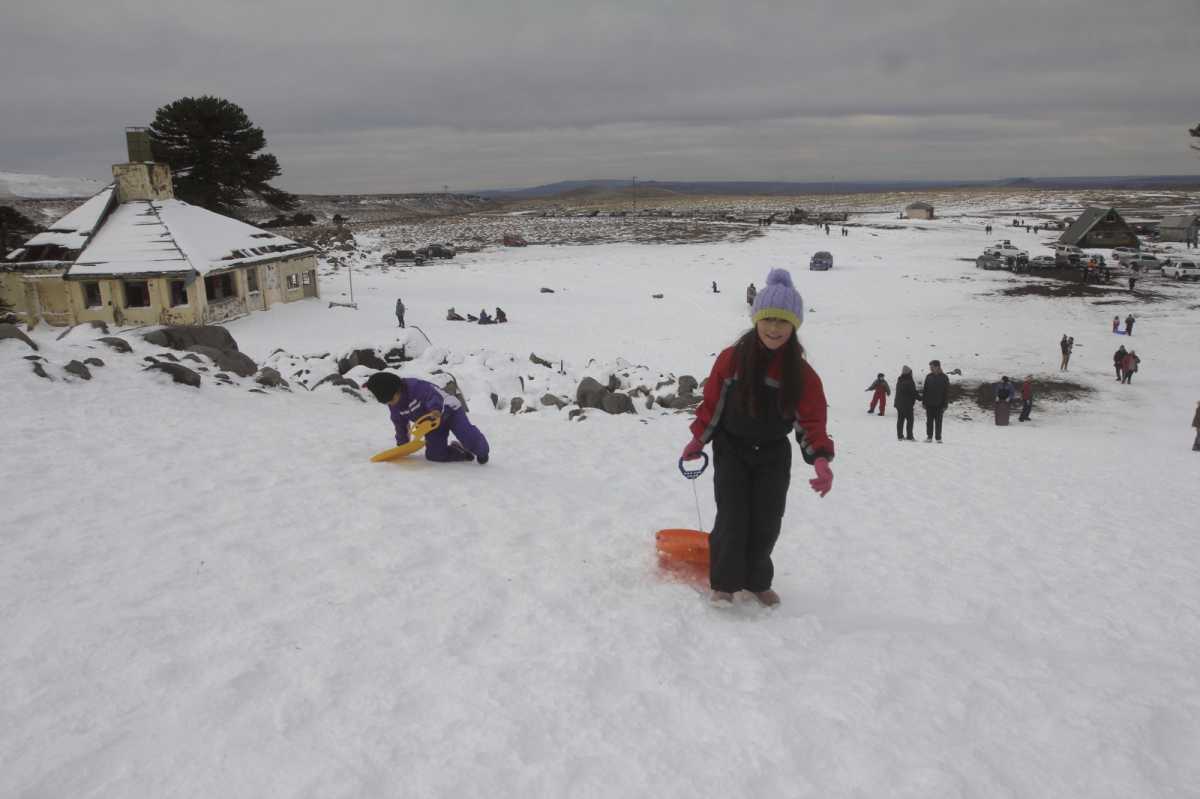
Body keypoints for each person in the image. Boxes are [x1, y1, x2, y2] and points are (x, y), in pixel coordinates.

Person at [682, 268, 834, 608]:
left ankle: (756, 580)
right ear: (756, 319)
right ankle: (724, 584)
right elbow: (712, 405)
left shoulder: (802, 374)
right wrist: (698, 440)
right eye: (768, 320)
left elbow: (811, 421)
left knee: (767, 520)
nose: (774, 328)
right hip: (732, 448)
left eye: (782, 321)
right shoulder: (732, 359)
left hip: (772, 453)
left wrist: (821, 458)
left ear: (794, 325)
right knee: (733, 517)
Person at [364, 371, 490, 464]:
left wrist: (435, 409)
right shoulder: (395, 407)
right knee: (435, 455)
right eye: (387, 402)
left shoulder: (416, 387)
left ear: (398, 389)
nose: (391, 404)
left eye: (391, 399)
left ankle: (482, 450)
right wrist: (403, 445)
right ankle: (460, 451)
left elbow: (432, 396)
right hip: (432, 424)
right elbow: (400, 425)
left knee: (468, 436)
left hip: (450, 411)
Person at [922, 360, 950, 442]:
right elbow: (925, 390)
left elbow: (946, 392)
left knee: (938, 422)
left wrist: (945, 404)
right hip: (929, 404)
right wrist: (924, 402)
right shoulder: (928, 377)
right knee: (929, 422)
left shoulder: (944, 377)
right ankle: (929, 437)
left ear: (937, 367)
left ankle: (938, 438)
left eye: (932, 367)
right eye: (930, 367)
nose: (930, 368)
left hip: (940, 404)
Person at [894, 366, 918, 440]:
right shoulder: (909, 381)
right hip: (907, 404)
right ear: (909, 373)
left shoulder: (900, 380)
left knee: (900, 420)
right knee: (910, 420)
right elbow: (913, 393)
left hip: (899, 403)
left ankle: (900, 436)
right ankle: (910, 436)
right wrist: (921, 398)